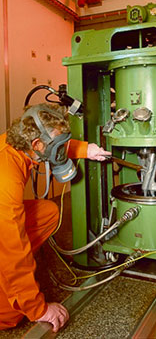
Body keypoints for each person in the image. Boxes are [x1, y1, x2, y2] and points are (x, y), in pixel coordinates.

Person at [0, 103, 111, 332]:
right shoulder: (6, 179)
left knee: (47, 213)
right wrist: (38, 309)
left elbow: (55, 145)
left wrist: (85, 150)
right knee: (10, 315)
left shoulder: (17, 143)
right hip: (5, 228)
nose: (60, 151)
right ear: (36, 144)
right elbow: (14, 249)